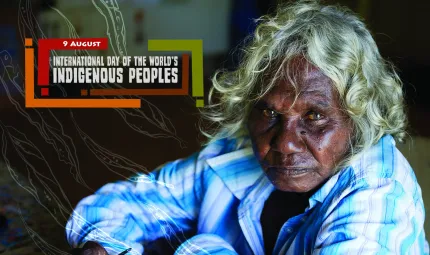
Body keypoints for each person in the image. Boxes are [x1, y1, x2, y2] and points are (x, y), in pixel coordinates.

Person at [66, 1, 429, 254]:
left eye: (315, 117)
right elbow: (124, 204)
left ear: (358, 117)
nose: (284, 144)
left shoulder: (378, 196)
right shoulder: (236, 152)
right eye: (270, 113)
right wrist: (101, 246)